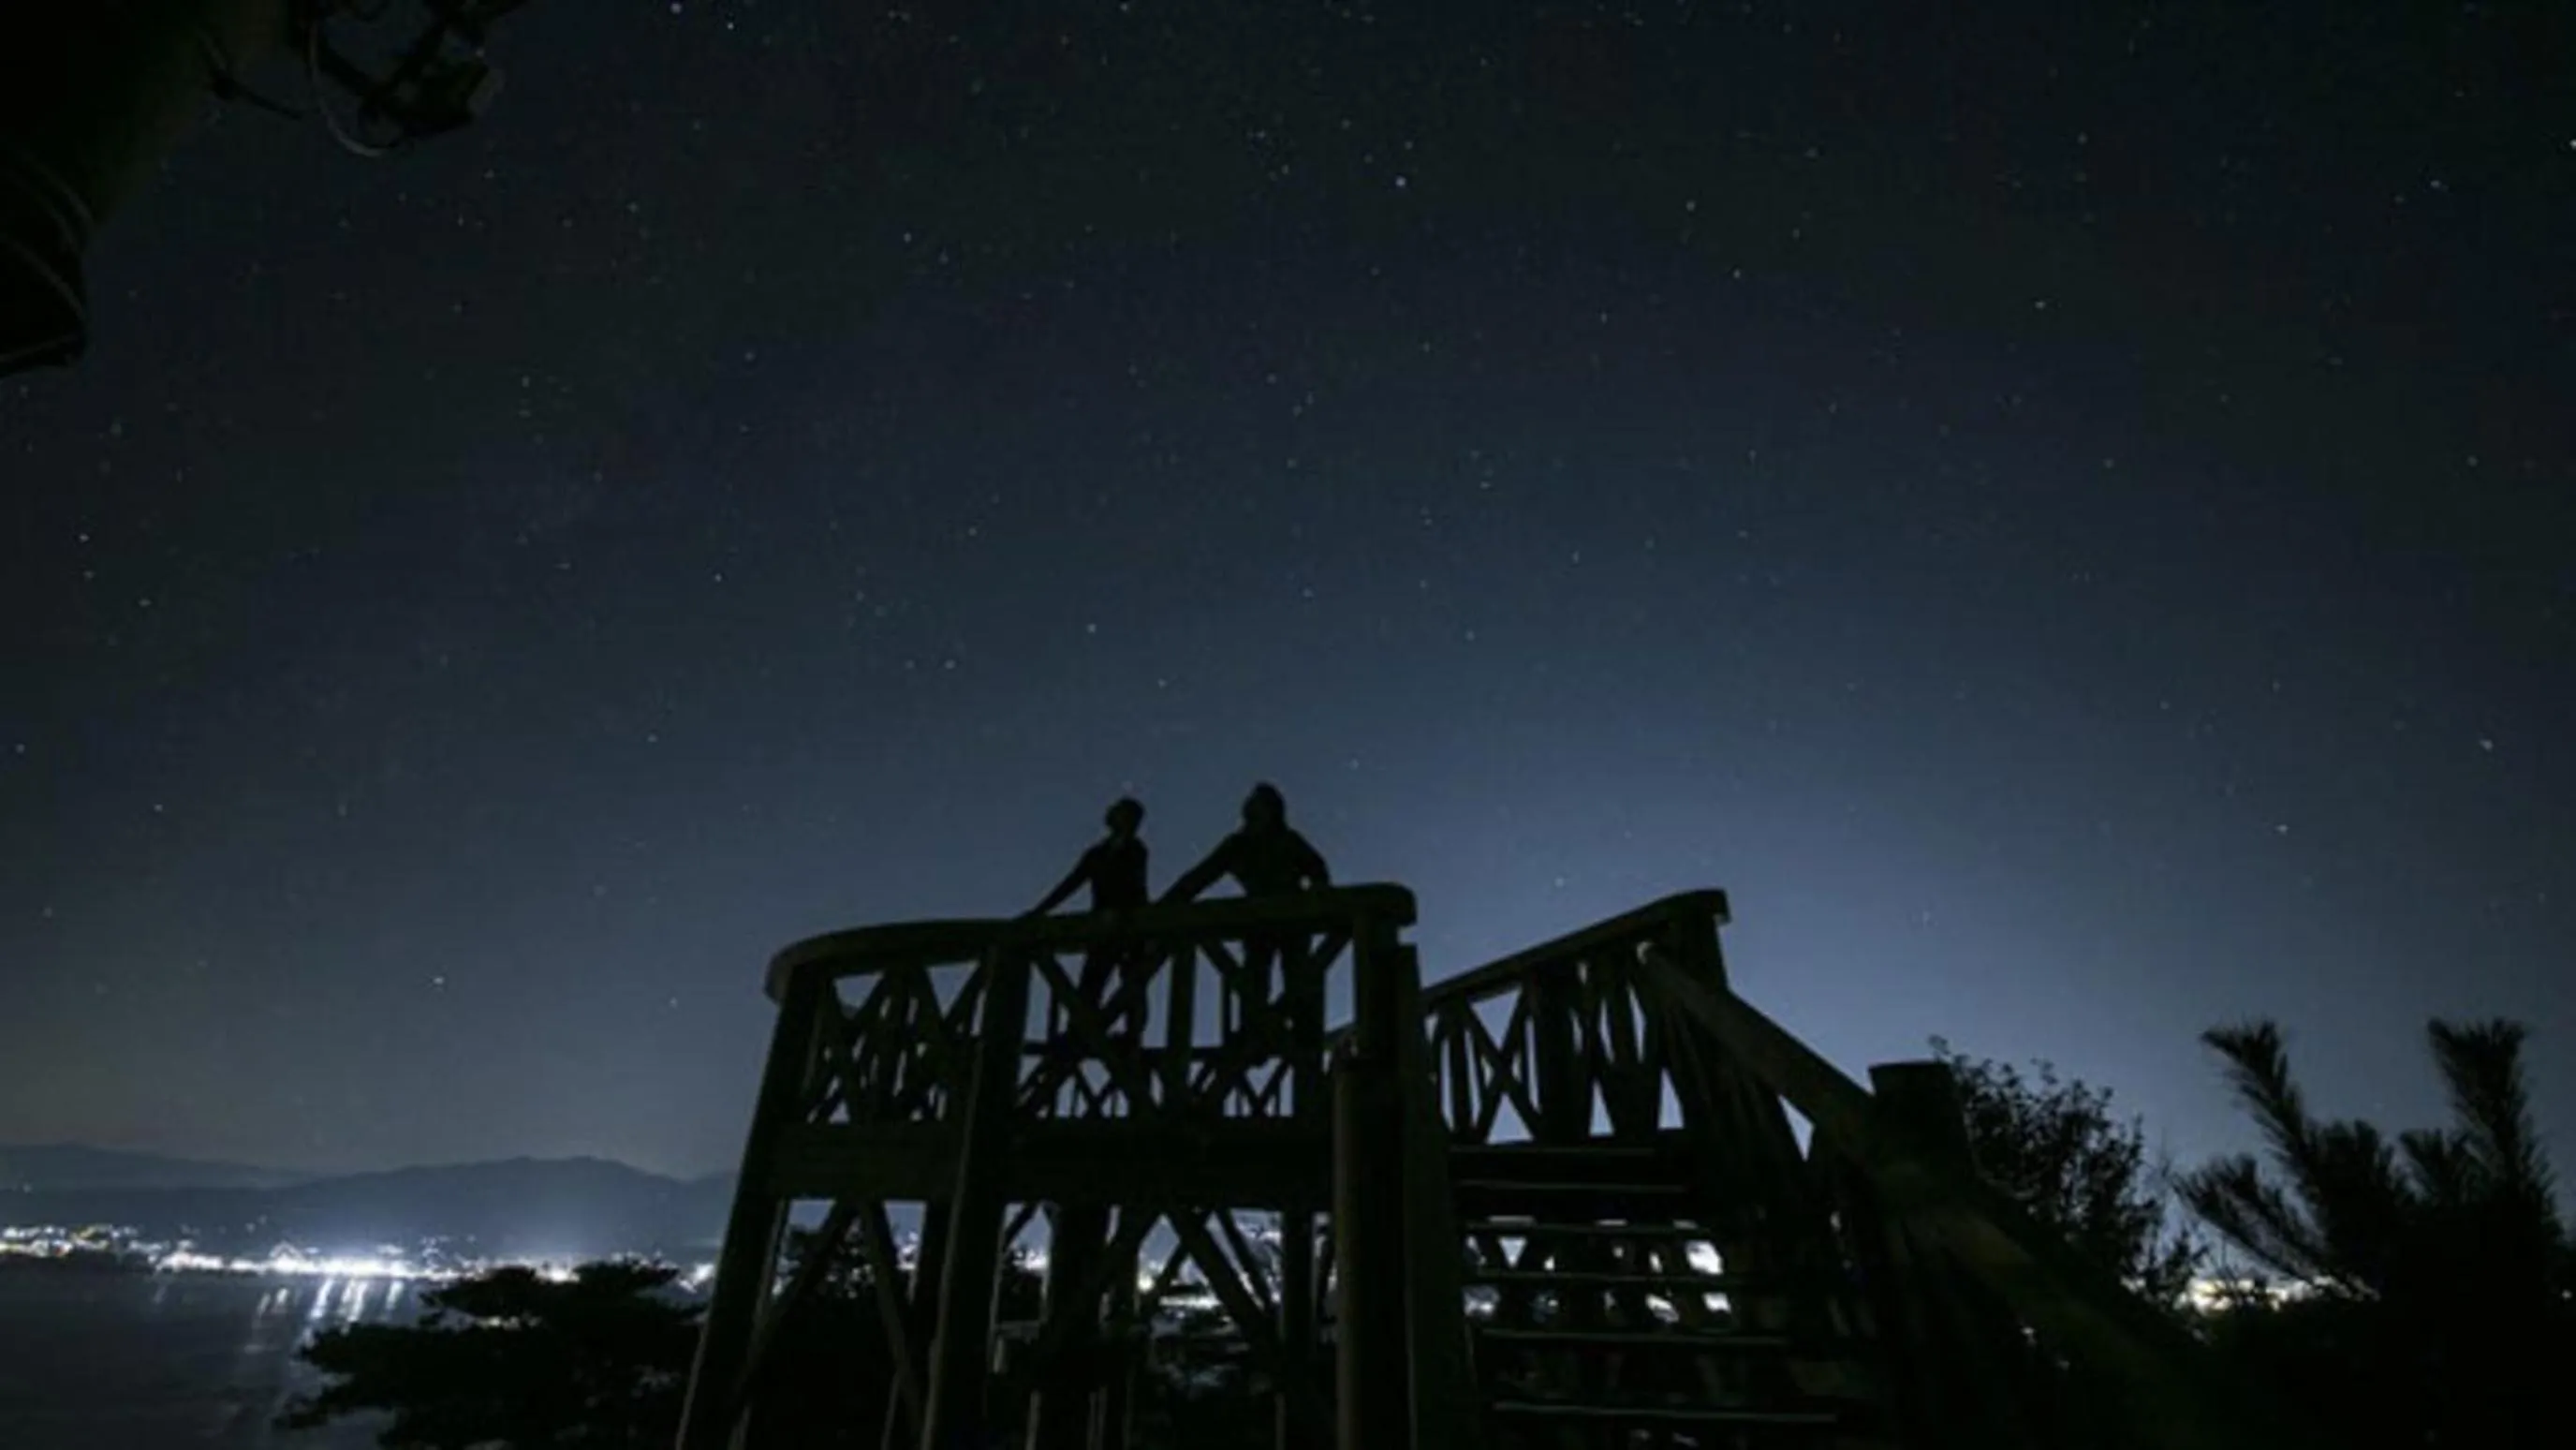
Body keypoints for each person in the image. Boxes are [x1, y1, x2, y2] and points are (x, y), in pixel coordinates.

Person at [1163, 783, 1331, 1049]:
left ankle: (1288, 1030)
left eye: (1256, 804)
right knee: (1256, 975)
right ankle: (1259, 1031)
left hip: (1291, 920)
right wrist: (1167, 904)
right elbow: (1199, 877)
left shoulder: (1284, 840)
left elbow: (1318, 871)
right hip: (1261, 921)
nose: (1249, 809)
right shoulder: (1239, 844)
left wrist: (1316, 900)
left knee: (1292, 976)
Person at [1026, 796, 1151, 1036]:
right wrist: (1041, 910)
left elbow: (1136, 886)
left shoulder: (1135, 850)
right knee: (1094, 980)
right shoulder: (1097, 854)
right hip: (1106, 926)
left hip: (1131, 925)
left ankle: (1130, 1035)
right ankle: (1080, 1029)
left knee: (1132, 983)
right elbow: (1070, 884)